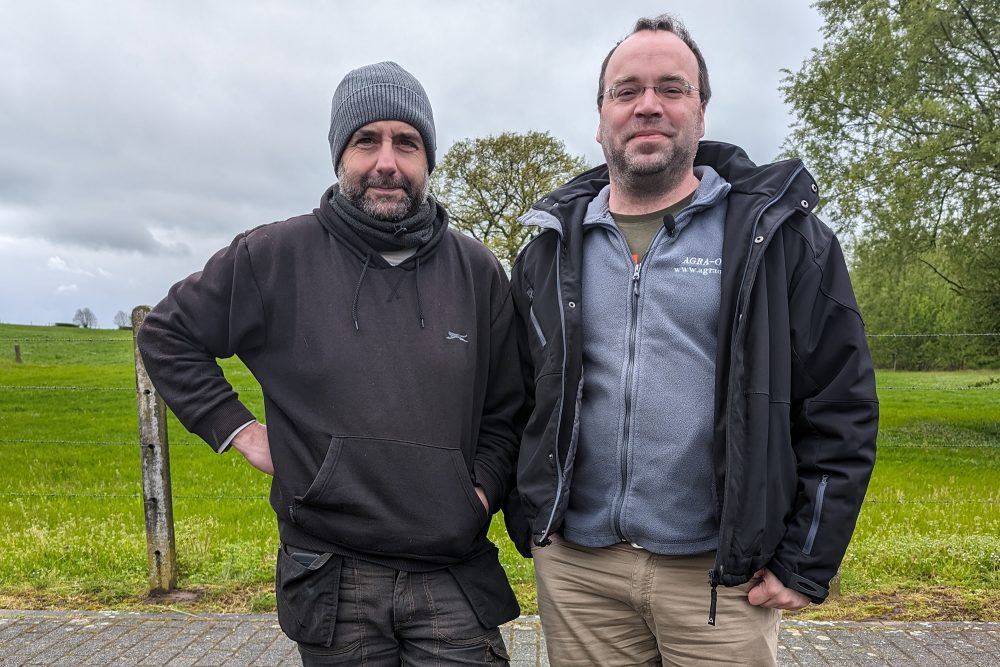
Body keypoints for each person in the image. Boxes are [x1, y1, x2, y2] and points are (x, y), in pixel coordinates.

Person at [504, 14, 878, 666]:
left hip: (720, 580)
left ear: (701, 113)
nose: (648, 104)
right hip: (579, 574)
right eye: (626, 90)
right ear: (601, 118)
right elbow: (513, 398)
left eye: (671, 88)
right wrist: (529, 518)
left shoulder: (781, 240)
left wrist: (806, 560)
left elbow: (840, 405)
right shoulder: (548, 248)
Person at [138, 61, 521, 666]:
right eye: (366, 140)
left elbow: (507, 409)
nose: (387, 161)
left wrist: (480, 491)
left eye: (407, 142)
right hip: (332, 578)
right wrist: (238, 430)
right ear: (339, 155)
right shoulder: (273, 256)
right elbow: (167, 334)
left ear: (428, 157)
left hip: (451, 573)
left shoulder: (476, 271)